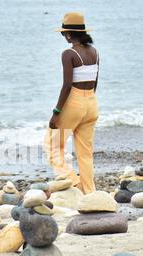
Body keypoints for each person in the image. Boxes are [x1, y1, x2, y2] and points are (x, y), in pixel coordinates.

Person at [44, 12, 99, 194]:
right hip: (91, 102)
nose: (63, 36)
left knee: (52, 145)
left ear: (68, 34)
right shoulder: (94, 52)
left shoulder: (69, 53)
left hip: (74, 102)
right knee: (85, 153)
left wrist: (56, 111)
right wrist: (88, 102)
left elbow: (67, 85)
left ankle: (73, 182)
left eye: (63, 33)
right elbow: (95, 81)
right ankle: (89, 193)